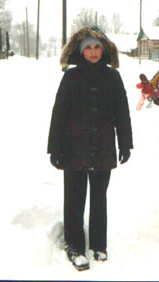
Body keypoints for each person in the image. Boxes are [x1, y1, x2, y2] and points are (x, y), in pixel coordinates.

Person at [47, 26, 133, 271]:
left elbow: (122, 113)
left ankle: (98, 245)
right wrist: (55, 148)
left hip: (103, 146)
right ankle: (74, 246)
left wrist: (125, 143)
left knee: (99, 197)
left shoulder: (113, 77)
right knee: (74, 198)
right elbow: (59, 113)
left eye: (97, 47)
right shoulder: (71, 77)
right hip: (73, 148)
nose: (93, 52)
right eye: (88, 48)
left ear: (103, 50)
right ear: (80, 51)